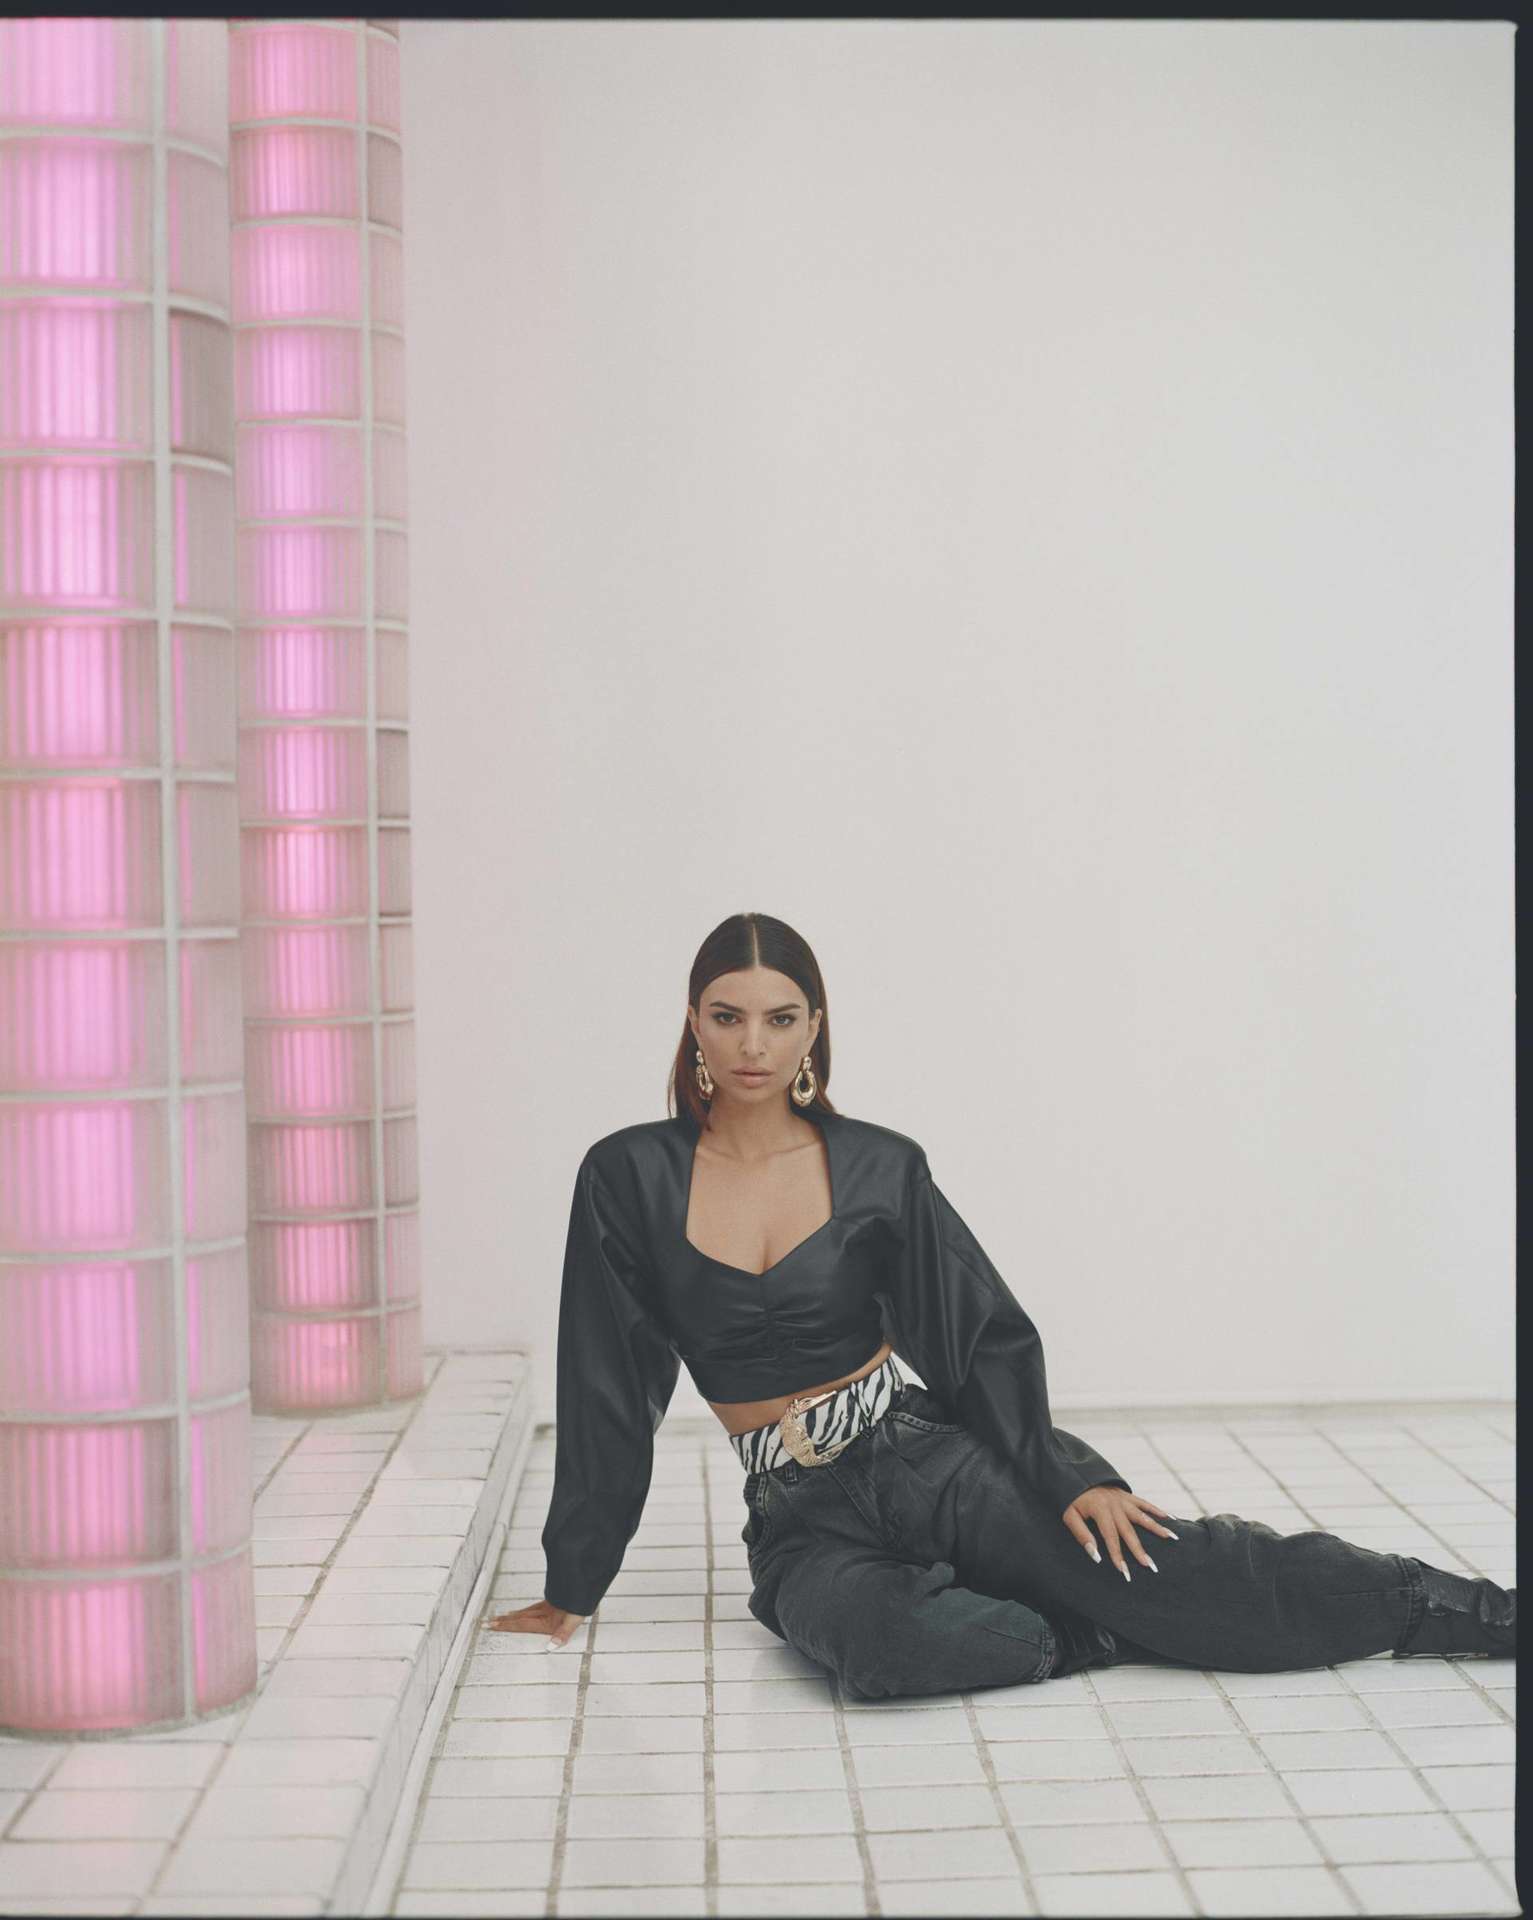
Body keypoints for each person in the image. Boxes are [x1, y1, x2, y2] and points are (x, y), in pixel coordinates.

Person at [489, 913, 1515, 1694]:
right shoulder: (627, 1176)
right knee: (879, 1649)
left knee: (1180, 1568)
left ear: (814, 1030)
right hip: (802, 1518)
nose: (752, 1043)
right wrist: (573, 1582)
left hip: (927, 1460)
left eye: (779, 1017)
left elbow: (976, 1329)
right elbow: (607, 1384)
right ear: (694, 1024)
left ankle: (1475, 1613)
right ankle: (1092, 1631)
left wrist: (1065, 1473)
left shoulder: (880, 1166)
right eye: (727, 1016)